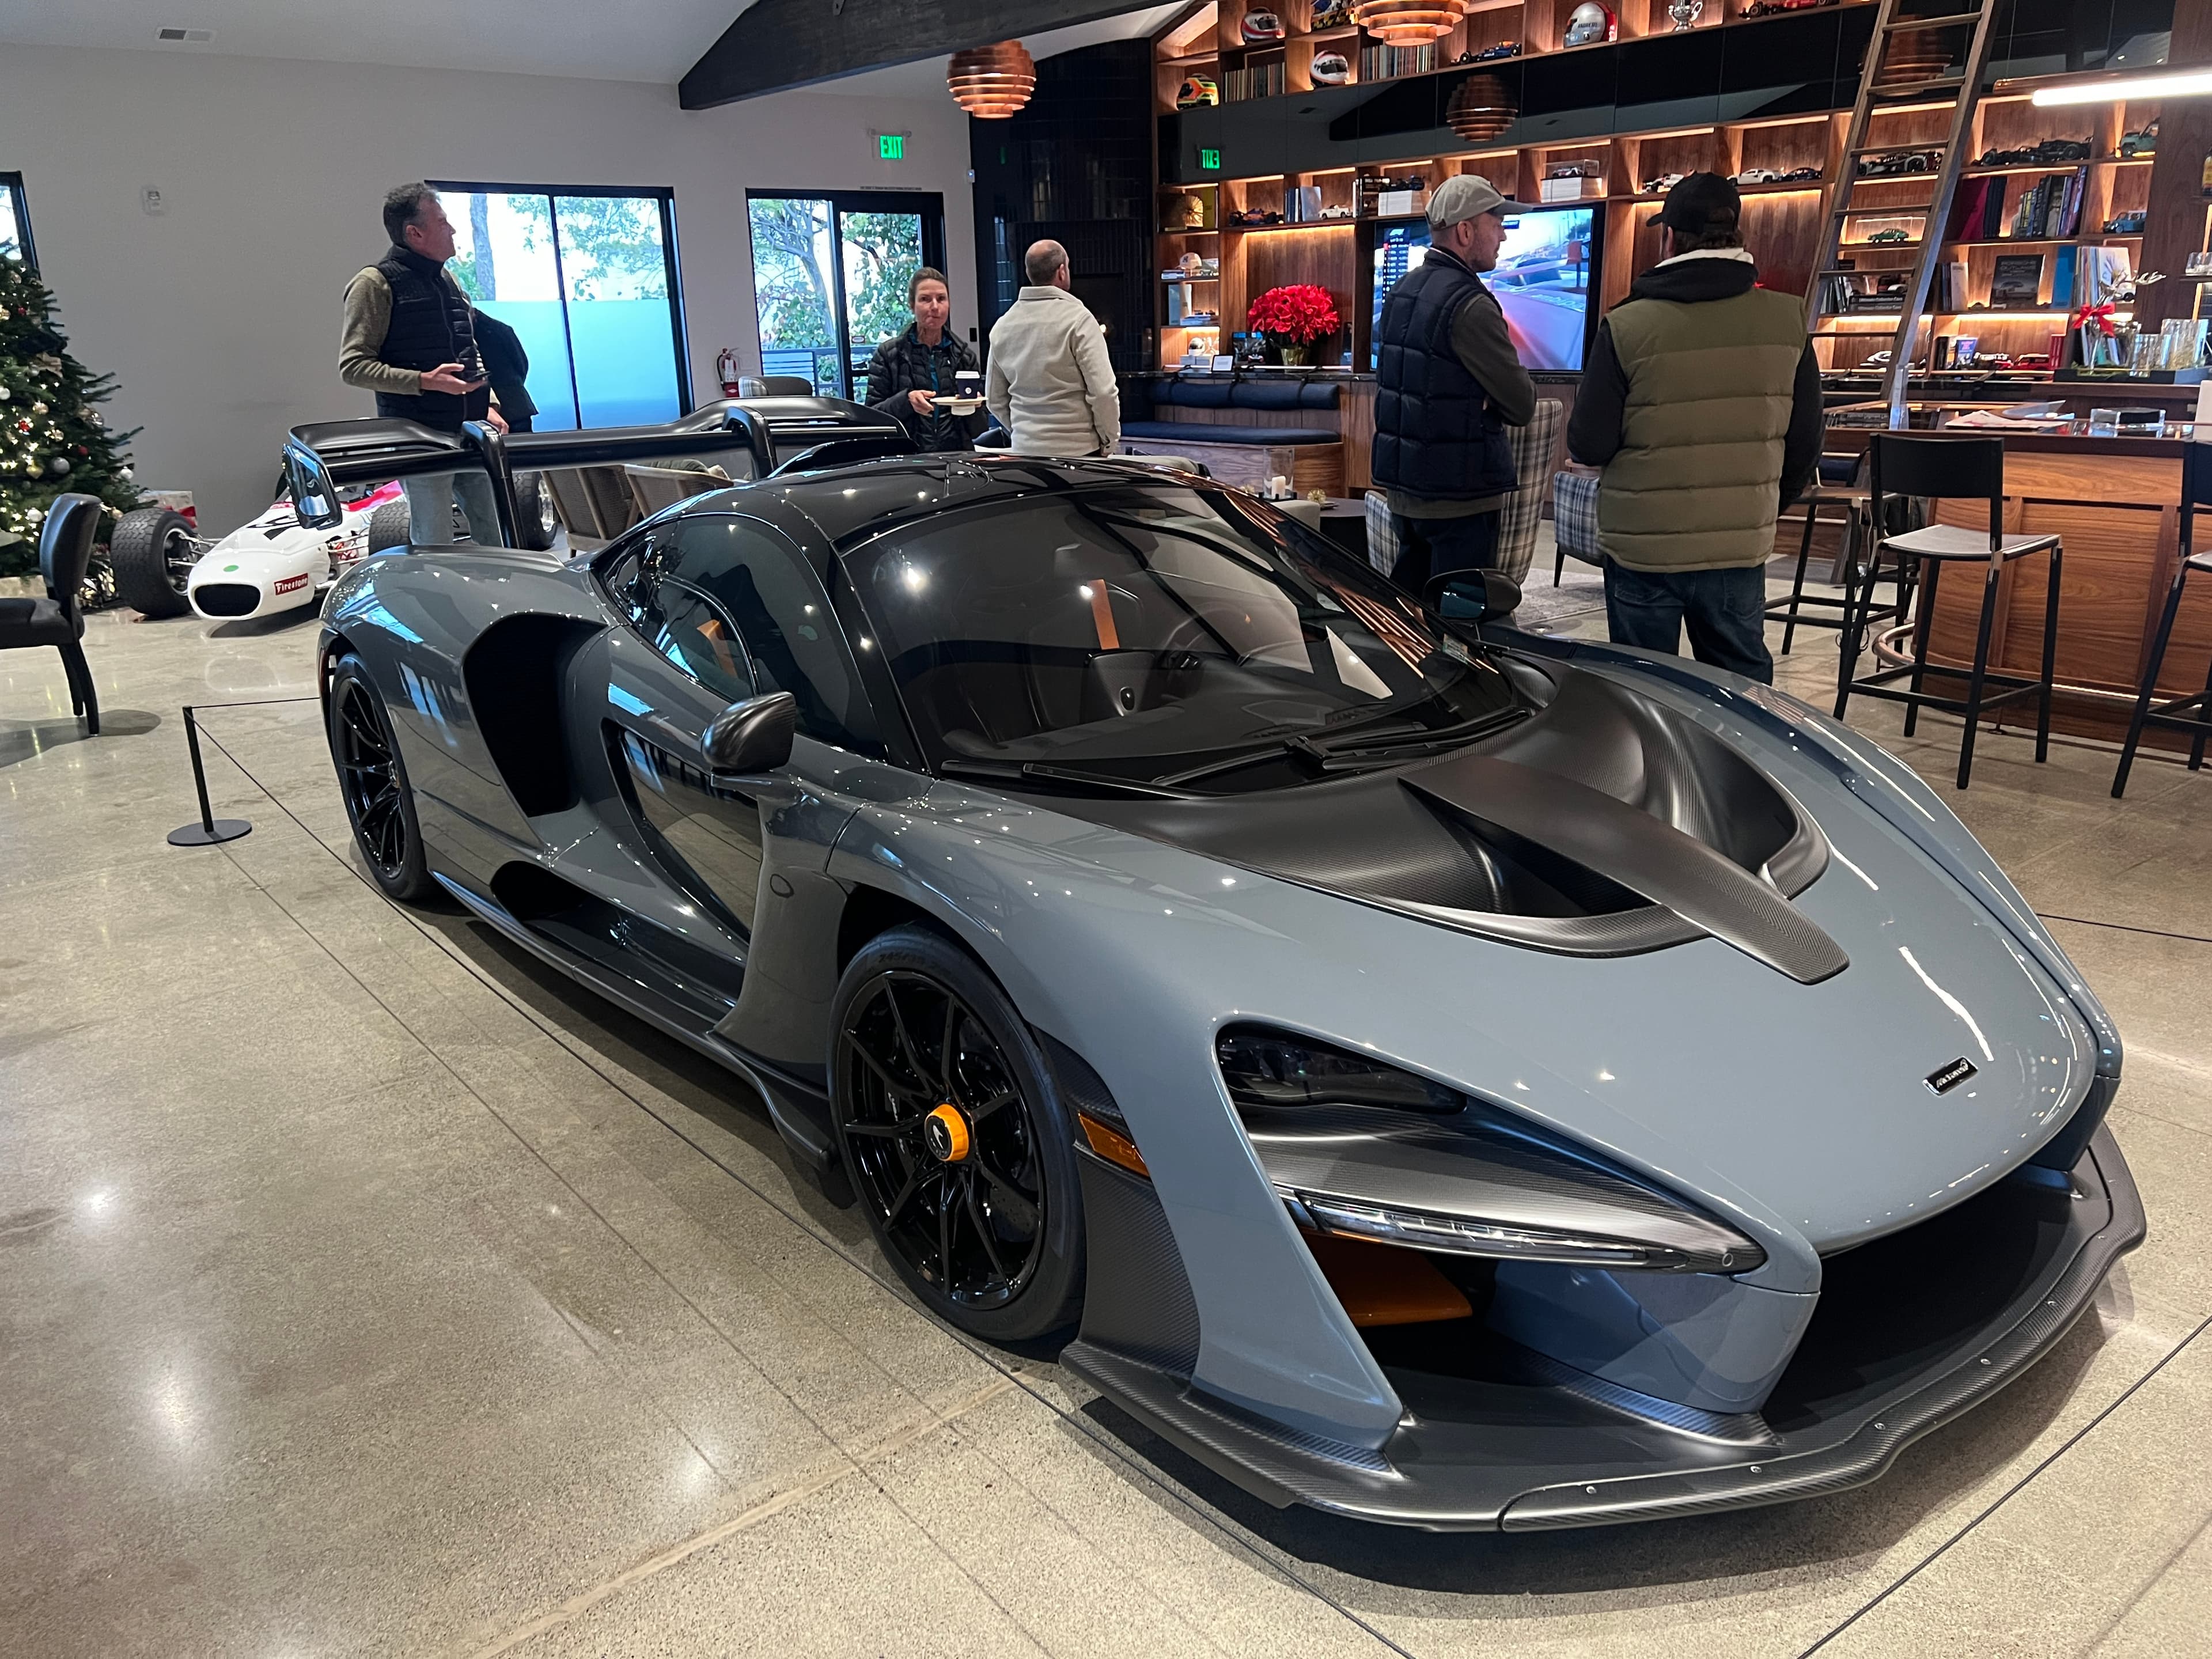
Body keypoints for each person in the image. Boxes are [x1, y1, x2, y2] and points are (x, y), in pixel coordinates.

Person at [1566, 172, 1822, 685]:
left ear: (1670, 239)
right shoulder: (1788, 320)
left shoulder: (1627, 325)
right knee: (1742, 693)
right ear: (1739, 235)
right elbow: (1806, 442)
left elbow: (1589, 442)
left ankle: (1660, 770)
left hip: (1644, 546)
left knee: (1646, 690)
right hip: (1737, 545)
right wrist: (1761, 507)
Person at [1370, 175, 1536, 595]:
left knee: (1411, 616)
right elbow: (1521, 405)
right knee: (1461, 628)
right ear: (1465, 231)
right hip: (1460, 498)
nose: (1503, 234)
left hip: (1407, 494)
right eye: (1495, 221)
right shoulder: (1471, 305)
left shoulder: (1401, 293)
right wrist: (1482, 401)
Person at [339, 183, 506, 546]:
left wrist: (489, 405)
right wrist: (424, 380)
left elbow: (469, 347)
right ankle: (437, 604)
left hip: (470, 429)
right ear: (415, 233)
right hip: (418, 437)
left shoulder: (448, 280)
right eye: (444, 222)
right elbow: (353, 366)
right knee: (434, 539)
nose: (454, 230)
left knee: (497, 533)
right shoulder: (374, 284)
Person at [985, 240, 1120, 459]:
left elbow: (994, 399)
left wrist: (1025, 433)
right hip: (1079, 452)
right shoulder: (1079, 320)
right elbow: (1104, 391)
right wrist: (1109, 441)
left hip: (1025, 453)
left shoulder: (1002, 325)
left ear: (1029, 273)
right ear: (1062, 271)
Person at [863, 267, 986, 453]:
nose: (935, 307)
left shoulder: (964, 355)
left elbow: (979, 429)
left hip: (955, 457)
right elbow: (871, 419)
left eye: (941, 299)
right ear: (911, 305)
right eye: (925, 299)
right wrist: (906, 401)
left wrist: (974, 407)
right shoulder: (889, 355)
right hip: (906, 458)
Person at [471, 308, 537, 435]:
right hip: (515, 404)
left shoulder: (497, 329)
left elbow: (522, 365)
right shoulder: (500, 329)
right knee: (524, 450)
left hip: (510, 405)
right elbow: (521, 365)